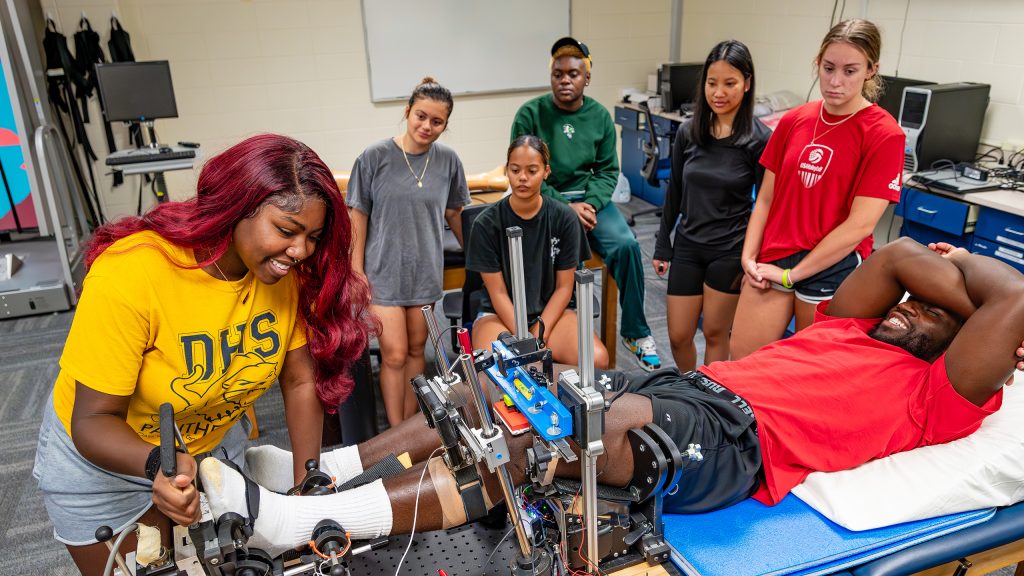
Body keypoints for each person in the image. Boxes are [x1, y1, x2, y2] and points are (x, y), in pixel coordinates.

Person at [201, 238, 1024, 554]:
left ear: (971, 346)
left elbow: (1009, 298)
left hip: (739, 445)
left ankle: (303, 525)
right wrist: (938, 272)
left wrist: (960, 285)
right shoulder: (857, 327)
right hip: (688, 383)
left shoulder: (945, 394)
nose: (913, 306)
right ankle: (328, 470)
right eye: (916, 300)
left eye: (936, 315)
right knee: (494, 383)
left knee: (555, 432)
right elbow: (901, 253)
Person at [32, 134, 372, 576]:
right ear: (235, 207)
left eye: (313, 237)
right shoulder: (133, 273)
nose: (301, 250)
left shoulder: (282, 275)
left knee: (215, 564)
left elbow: (300, 380)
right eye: (287, 231)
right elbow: (92, 420)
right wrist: (158, 463)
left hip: (201, 449)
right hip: (105, 464)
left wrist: (304, 486)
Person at [729, 19, 905, 360]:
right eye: (828, 68)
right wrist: (748, 257)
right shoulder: (794, 120)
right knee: (741, 364)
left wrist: (794, 275)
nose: (836, 81)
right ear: (817, 64)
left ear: (871, 71)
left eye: (850, 71)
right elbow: (765, 199)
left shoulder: (884, 134)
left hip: (831, 265)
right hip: (774, 256)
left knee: (804, 377)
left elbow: (860, 225)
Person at [510, 36, 662, 371]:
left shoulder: (599, 116)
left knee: (625, 245)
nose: (565, 80)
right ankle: (540, 333)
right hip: (544, 200)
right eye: (558, 73)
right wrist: (565, 207)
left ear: (587, 78)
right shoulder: (531, 114)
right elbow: (522, 168)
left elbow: (608, 169)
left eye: (573, 74)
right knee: (548, 258)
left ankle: (636, 332)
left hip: (591, 201)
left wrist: (590, 204)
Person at [347, 77, 471, 426]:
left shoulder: (448, 161)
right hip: (383, 273)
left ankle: (413, 426)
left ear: (445, 124)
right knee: (395, 355)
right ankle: (396, 432)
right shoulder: (374, 157)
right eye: (421, 116)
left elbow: (455, 213)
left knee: (418, 351)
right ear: (407, 112)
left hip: (424, 273)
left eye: (437, 121)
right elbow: (358, 216)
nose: (426, 126)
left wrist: (477, 258)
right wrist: (356, 272)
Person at [652, 40, 771, 371]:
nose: (719, 92)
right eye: (712, 83)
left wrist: (755, 259)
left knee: (716, 333)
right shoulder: (689, 132)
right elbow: (674, 189)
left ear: (747, 84)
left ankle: (708, 401)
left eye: (730, 83)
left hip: (729, 249)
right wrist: (664, 246)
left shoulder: (758, 140)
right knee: (678, 334)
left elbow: (766, 203)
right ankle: (691, 388)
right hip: (689, 244)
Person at [468, 135, 609, 368]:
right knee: (497, 367)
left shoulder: (565, 218)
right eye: (515, 170)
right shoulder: (486, 223)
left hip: (553, 313)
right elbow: (498, 292)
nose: (522, 178)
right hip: (500, 315)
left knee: (596, 359)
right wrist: (526, 339)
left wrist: (539, 333)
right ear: (506, 171)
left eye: (532, 171)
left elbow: (564, 288)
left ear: (546, 171)